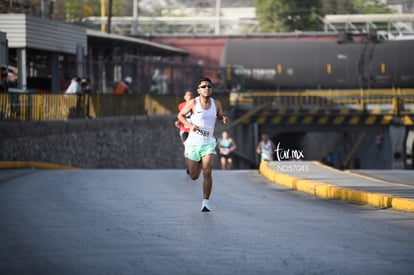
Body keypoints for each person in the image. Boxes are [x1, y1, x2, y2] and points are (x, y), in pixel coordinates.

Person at [177, 77, 229, 212]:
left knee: (207, 172)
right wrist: (190, 125)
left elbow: (219, 116)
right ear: (198, 90)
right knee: (194, 176)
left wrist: (223, 119)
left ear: (211, 90)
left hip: (208, 144)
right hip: (193, 144)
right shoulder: (193, 103)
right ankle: (197, 163)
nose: (207, 88)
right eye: (204, 86)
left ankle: (205, 202)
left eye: (209, 86)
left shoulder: (216, 103)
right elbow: (180, 116)